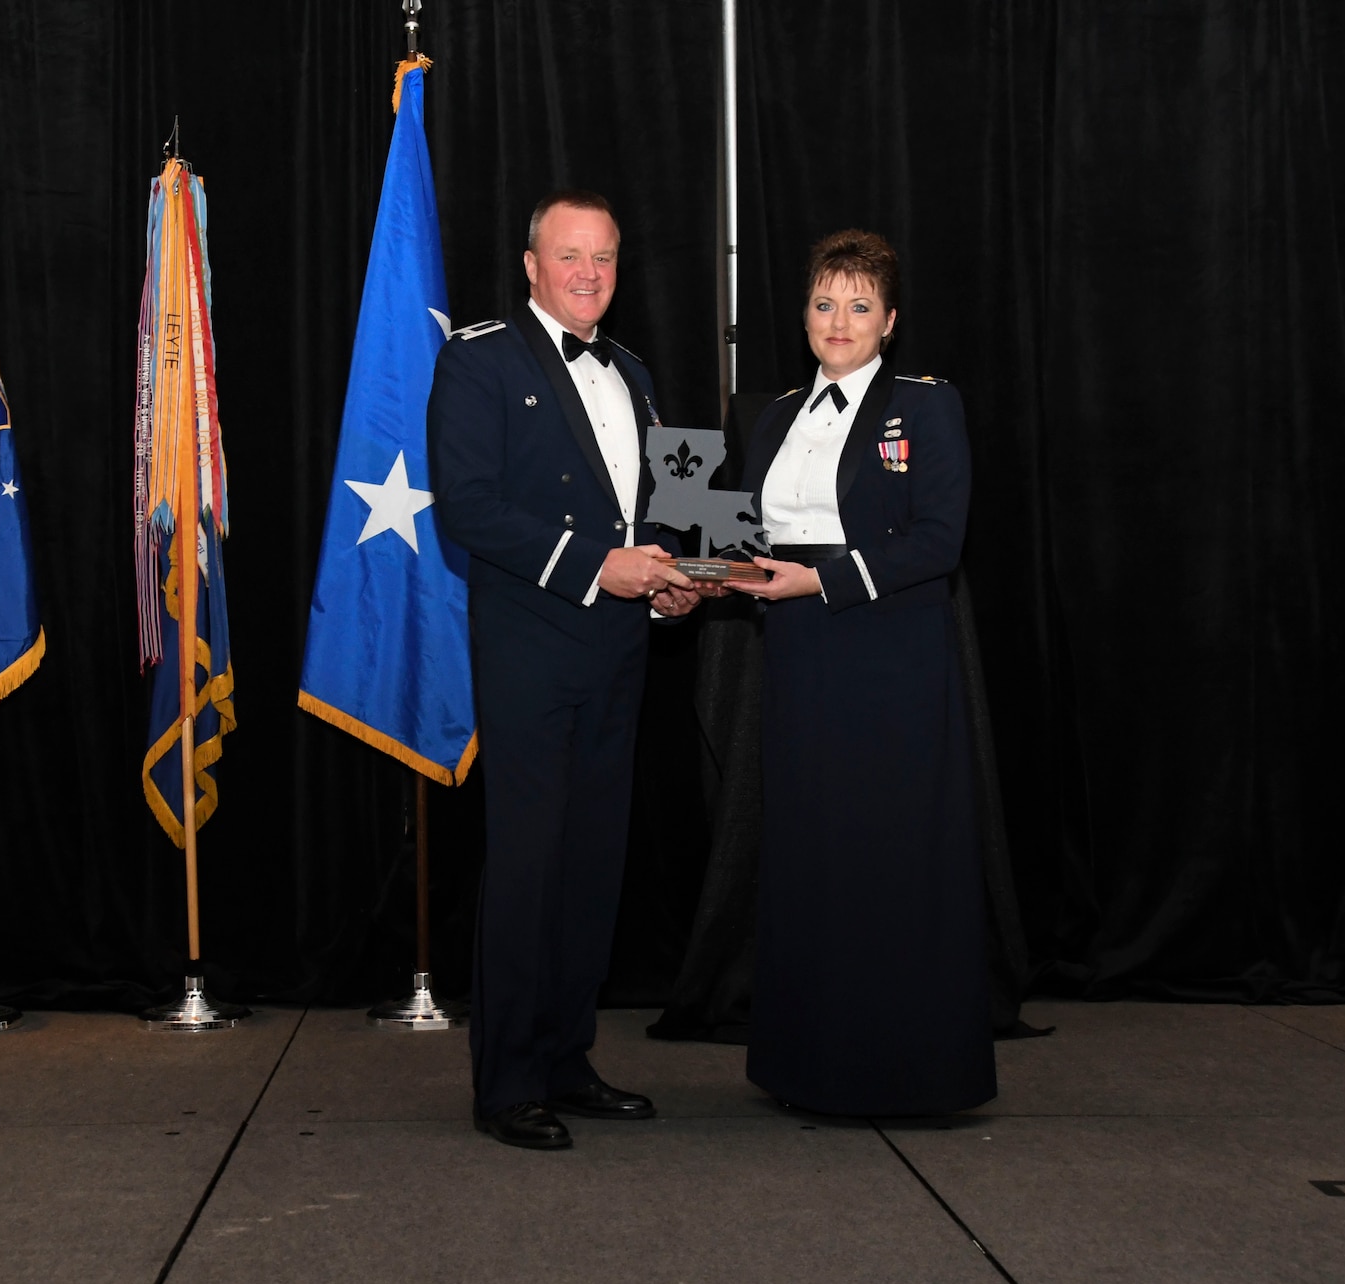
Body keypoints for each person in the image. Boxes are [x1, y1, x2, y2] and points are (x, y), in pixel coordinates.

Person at [427, 190, 705, 1149]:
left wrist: (679, 575)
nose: (590, 273)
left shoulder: (632, 368)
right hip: (532, 647)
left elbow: (670, 506)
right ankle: (505, 1081)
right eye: (571, 255)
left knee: (594, 863)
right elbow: (466, 506)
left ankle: (566, 1057)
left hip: (622, 647)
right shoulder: (478, 356)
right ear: (533, 262)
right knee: (529, 865)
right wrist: (599, 565)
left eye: (606, 257)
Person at [735, 229, 997, 1115]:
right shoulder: (768, 414)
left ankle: (908, 1070)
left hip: (890, 657)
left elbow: (939, 541)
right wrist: (695, 574)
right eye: (822, 302)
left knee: (891, 858)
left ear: (888, 320)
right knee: (813, 855)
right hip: (800, 657)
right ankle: (809, 1065)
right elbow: (740, 535)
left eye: (857, 305)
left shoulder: (927, 409)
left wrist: (823, 577)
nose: (836, 321)